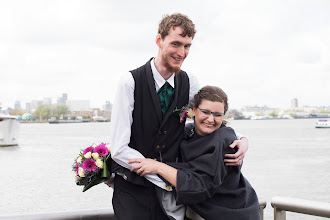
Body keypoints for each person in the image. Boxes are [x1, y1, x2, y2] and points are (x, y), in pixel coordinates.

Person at [109, 13, 249, 220]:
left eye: (187, 46)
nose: (182, 52)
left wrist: (241, 138)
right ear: (159, 40)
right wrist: (160, 174)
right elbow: (119, 148)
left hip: (172, 192)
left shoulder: (190, 81)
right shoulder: (130, 82)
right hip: (133, 190)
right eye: (176, 44)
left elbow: (208, 115)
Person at [129, 86, 260, 220]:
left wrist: (158, 167)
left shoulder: (224, 141)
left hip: (234, 213)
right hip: (203, 213)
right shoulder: (187, 131)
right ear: (194, 110)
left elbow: (199, 186)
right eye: (205, 112)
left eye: (217, 115)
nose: (210, 119)